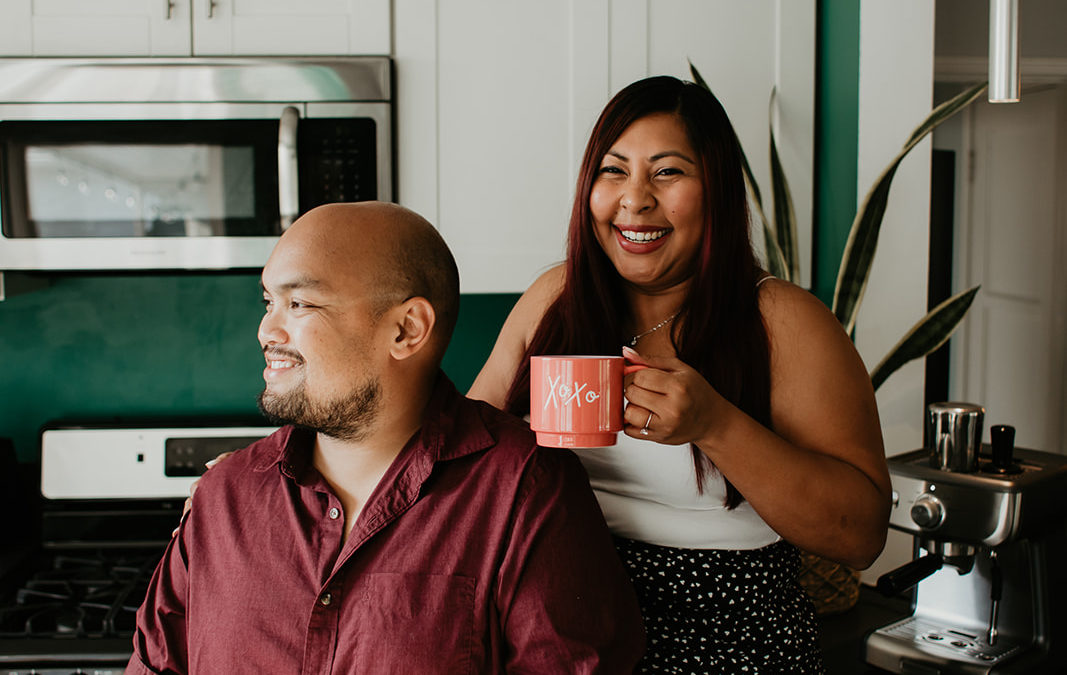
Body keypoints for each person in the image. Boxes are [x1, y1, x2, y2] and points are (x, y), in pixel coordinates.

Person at [468, 76, 892, 672]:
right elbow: (464, 454)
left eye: (667, 172)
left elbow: (861, 534)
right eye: (613, 171)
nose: (635, 200)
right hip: (558, 632)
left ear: (715, 189)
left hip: (728, 642)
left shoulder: (781, 321)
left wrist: (714, 423)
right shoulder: (555, 298)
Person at [126, 202, 645, 674]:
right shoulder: (223, 498)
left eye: (300, 304)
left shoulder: (525, 493)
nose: (267, 331)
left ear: (406, 330)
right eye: (268, 302)